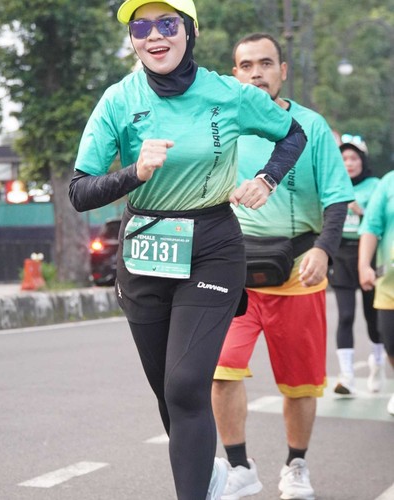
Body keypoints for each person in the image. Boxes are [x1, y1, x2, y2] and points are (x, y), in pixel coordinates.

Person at [69, 4, 308, 498]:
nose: (154, 36)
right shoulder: (118, 100)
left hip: (212, 244)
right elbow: (80, 191)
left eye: (167, 24)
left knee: (184, 385)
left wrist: (267, 179)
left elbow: (292, 134)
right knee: (169, 393)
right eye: (140, 27)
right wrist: (134, 172)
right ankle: (207, 476)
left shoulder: (228, 93)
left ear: (189, 31)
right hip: (145, 246)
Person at [211, 33, 354, 500]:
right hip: (233, 272)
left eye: (266, 63)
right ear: (235, 74)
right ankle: (239, 466)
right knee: (221, 370)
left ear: (283, 70)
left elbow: (337, 197)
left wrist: (324, 250)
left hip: (297, 272)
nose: (256, 73)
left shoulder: (311, 126)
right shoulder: (222, 126)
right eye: (246, 65)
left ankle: (295, 464)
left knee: (300, 385)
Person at [329, 137, 383, 396]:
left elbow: (379, 222)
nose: (349, 163)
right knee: (346, 315)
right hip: (340, 255)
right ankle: (347, 376)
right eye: (344, 159)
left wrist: (360, 211)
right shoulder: (333, 184)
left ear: (363, 161)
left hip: (369, 256)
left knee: (374, 318)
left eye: (353, 158)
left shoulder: (376, 186)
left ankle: (378, 364)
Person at [358, 170, 394, 416]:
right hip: (389, 283)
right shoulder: (388, 182)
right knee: (390, 342)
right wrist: (364, 265)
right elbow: (371, 225)